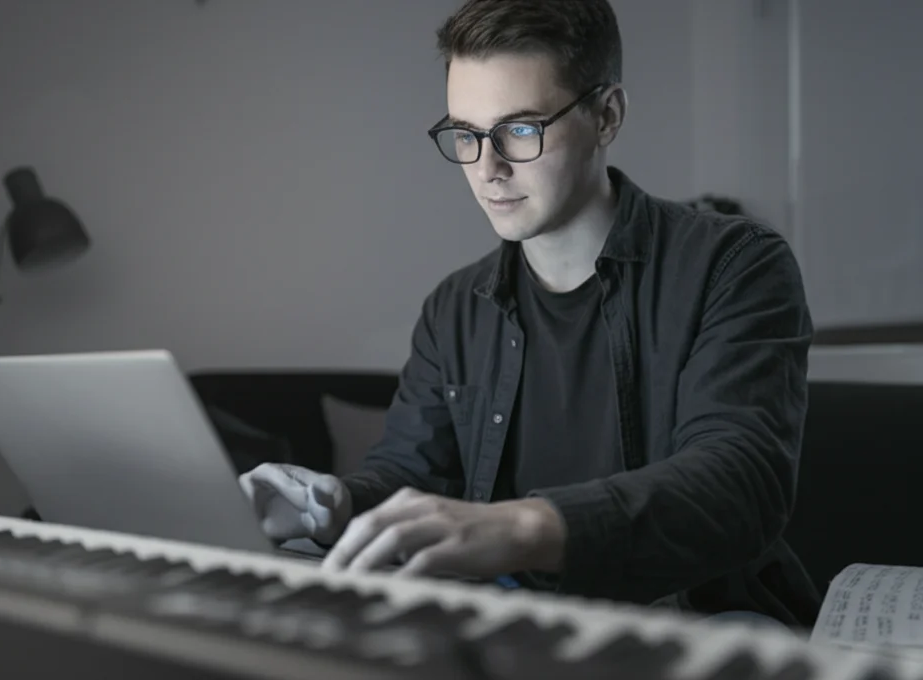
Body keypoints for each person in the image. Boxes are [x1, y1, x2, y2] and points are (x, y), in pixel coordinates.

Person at [239, 0, 821, 628]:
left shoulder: (735, 264)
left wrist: (521, 526)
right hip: (512, 629)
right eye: (466, 134)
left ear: (606, 115)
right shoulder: (454, 308)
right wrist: (339, 500)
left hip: (696, 621)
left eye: (519, 129)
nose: (487, 169)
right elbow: (410, 472)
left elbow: (740, 483)